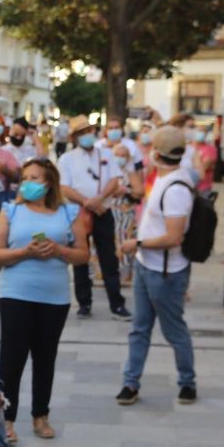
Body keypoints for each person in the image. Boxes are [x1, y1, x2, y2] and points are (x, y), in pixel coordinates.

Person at [0, 158, 89, 441]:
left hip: (54, 296)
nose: (28, 183)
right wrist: (25, 253)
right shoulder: (10, 211)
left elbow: (84, 254)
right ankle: (6, 419)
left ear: (49, 183)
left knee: (46, 357)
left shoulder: (69, 212)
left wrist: (59, 250)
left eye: (35, 178)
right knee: (12, 357)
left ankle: (40, 415)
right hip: (16, 293)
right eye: (25, 177)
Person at [117, 125, 198, 405]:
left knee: (173, 329)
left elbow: (174, 237)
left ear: (157, 153)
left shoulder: (176, 187)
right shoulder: (165, 178)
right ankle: (130, 383)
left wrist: (136, 245)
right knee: (139, 328)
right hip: (147, 265)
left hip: (165, 272)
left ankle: (187, 382)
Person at [58, 114, 129, 320]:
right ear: (75, 137)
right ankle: (84, 302)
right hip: (79, 213)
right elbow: (65, 187)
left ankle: (116, 303)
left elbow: (115, 180)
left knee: (109, 258)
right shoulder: (67, 159)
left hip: (103, 212)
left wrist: (99, 199)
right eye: (81, 133)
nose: (86, 135)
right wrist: (86, 202)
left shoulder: (105, 154)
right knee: (81, 258)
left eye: (88, 131)